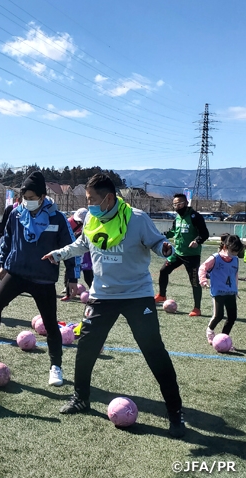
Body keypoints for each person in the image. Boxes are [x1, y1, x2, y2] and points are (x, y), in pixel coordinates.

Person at [42, 173, 185, 438]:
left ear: (108, 198)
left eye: (92, 199)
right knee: (86, 348)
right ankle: (81, 398)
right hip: (102, 295)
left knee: (154, 352)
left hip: (137, 295)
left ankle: (176, 412)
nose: (89, 204)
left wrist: (164, 248)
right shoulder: (92, 219)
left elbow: (156, 242)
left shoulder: (138, 218)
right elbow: (83, 244)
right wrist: (59, 254)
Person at [0, 171, 79, 389]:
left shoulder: (57, 218)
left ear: (41, 196)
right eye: (24, 197)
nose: (26, 201)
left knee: (50, 324)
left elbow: (70, 249)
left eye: (31, 197)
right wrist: (1, 264)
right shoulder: (16, 214)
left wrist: (72, 278)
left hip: (43, 279)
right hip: (17, 272)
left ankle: (55, 367)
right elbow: (7, 240)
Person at [155, 193, 209, 316]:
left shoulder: (196, 217)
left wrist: (197, 241)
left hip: (192, 256)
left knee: (194, 281)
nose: (177, 206)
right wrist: (161, 235)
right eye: (175, 204)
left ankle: (197, 308)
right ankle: (162, 295)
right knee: (164, 271)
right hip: (177, 254)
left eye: (179, 204)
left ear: (186, 203)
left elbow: (204, 234)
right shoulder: (177, 218)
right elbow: (173, 232)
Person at [199, 234, 244, 346]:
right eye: (232, 251)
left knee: (232, 317)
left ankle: (223, 338)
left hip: (231, 292)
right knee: (218, 315)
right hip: (218, 292)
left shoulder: (235, 260)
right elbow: (203, 268)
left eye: (236, 252)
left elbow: (235, 275)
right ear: (225, 247)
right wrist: (203, 280)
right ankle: (210, 331)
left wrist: (236, 289)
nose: (234, 254)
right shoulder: (215, 258)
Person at [60, 208, 87, 300]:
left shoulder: (86, 225)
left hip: (76, 248)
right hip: (65, 247)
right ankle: (66, 287)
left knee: (73, 267)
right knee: (69, 267)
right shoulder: (68, 222)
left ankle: (70, 286)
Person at [0, 194, 19, 280]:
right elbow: (3, 221)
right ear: (18, 200)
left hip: (18, 237)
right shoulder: (10, 209)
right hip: (6, 235)